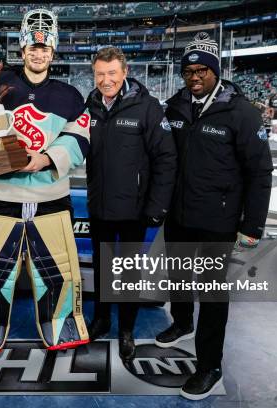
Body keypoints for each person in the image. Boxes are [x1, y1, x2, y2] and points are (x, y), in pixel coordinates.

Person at [0, 8, 91, 353]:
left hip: (50, 200)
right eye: (33, 47)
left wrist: (46, 158)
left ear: (53, 51)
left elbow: (80, 139)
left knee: (57, 272)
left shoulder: (70, 96)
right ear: (22, 48)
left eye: (44, 48)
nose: (38, 52)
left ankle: (63, 328)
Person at [157, 32, 273, 400]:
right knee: (177, 278)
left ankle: (209, 365)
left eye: (202, 71)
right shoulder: (175, 106)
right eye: (188, 70)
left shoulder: (241, 111)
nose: (194, 77)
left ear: (215, 72)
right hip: (178, 214)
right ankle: (180, 324)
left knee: (211, 295)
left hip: (217, 220)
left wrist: (252, 225)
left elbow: (260, 171)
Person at [85, 46, 177, 361]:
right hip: (99, 208)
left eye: (112, 73)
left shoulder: (148, 108)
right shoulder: (90, 105)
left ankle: (126, 329)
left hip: (134, 211)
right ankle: (100, 318)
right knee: (101, 268)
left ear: (124, 73)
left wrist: (157, 207)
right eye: (100, 73)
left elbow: (166, 159)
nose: (105, 80)